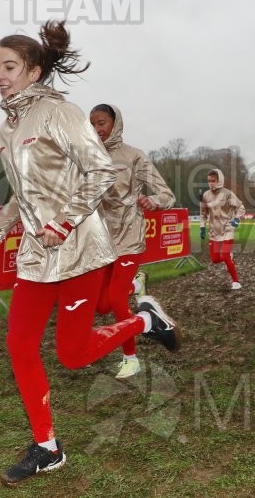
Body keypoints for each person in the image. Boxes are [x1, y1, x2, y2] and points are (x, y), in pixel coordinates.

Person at [0, 20, 182, 486]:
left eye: (9, 66)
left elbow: (99, 171)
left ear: (33, 71)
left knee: (72, 354)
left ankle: (144, 322)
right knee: (19, 345)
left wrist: (64, 221)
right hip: (36, 253)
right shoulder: (5, 131)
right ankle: (47, 447)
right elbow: (21, 192)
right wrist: (1, 225)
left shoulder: (61, 113)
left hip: (80, 249)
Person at [89, 103, 176, 379]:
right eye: (91, 124)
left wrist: (153, 200)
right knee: (99, 305)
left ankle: (131, 358)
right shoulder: (88, 158)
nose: (96, 129)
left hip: (129, 234)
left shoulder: (134, 156)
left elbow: (167, 194)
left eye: (101, 122)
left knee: (115, 299)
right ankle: (136, 283)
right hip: (100, 239)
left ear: (116, 123)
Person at [200, 169, 246, 289]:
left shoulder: (227, 194)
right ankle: (228, 258)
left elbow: (241, 207)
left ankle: (236, 282)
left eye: (213, 181)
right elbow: (203, 214)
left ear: (219, 180)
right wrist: (202, 227)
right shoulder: (205, 195)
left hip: (227, 229)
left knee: (225, 256)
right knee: (214, 259)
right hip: (214, 232)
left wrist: (237, 219)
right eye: (209, 181)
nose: (211, 183)